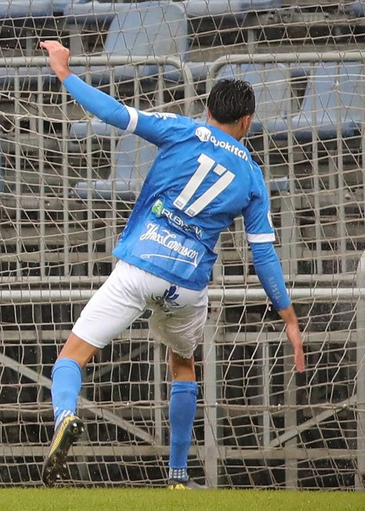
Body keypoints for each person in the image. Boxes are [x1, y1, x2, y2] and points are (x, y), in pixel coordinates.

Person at [38, 40, 306, 488]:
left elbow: (114, 113)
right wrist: (290, 319)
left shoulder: (180, 129)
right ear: (246, 121)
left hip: (140, 265)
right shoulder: (254, 177)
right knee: (183, 364)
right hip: (188, 284)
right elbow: (263, 255)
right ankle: (178, 476)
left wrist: (65, 73)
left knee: (72, 356)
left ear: (208, 110)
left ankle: (65, 416)